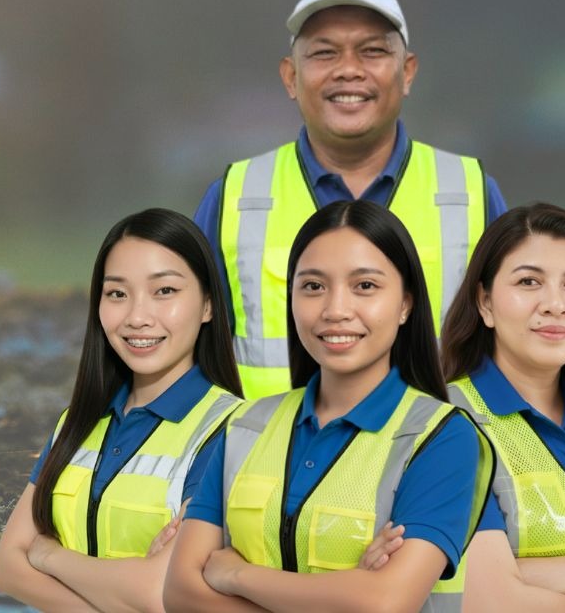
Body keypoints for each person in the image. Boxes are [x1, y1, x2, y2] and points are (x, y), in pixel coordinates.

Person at [164, 200, 491, 612]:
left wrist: (236, 575)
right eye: (314, 286)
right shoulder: (244, 426)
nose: (336, 310)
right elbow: (180, 594)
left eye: (365, 286)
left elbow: (385, 603)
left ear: (406, 303)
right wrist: (349, 590)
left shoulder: (442, 437)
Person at [195, 0, 508, 398]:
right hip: (275, 459)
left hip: (435, 458)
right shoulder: (234, 198)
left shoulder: (473, 193)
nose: (348, 70)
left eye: (373, 51)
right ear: (290, 77)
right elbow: (189, 356)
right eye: (324, 53)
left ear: (407, 72)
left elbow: (515, 352)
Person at [388, 204, 565, 608]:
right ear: (485, 303)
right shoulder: (444, 424)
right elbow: (491, 602)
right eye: (529, 282)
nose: (555, 304)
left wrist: (549, 572)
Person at [0, 208, 243, 612]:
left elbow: (158, 595)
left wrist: (48, 557)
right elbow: (5, 569)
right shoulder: (76, 421)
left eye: (165, 291)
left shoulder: (233, 432)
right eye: (117, 294)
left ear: (208, 305)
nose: (137, 318)